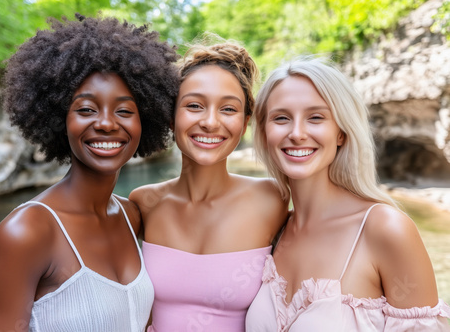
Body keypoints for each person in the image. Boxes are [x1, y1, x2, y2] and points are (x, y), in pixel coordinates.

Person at [0, 13, 179, 332]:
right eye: (86, 109)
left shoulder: (132, 216)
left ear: (146, 120)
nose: (106, 123)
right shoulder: (26, 232)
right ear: (59, 118)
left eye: (125, 111)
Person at [246, 56, 450, 331]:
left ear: (341, 132)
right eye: (281, 118)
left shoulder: (386, 229)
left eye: (316, 117)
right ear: (264, 130)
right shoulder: (272, 230)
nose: (296, 133)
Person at [129, 36, 289, 332]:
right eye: (194, 106)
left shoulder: (272, 199)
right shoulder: (143, 204)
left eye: (228, 109)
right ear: (170, 115)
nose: (211, 122)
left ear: (245, 121)